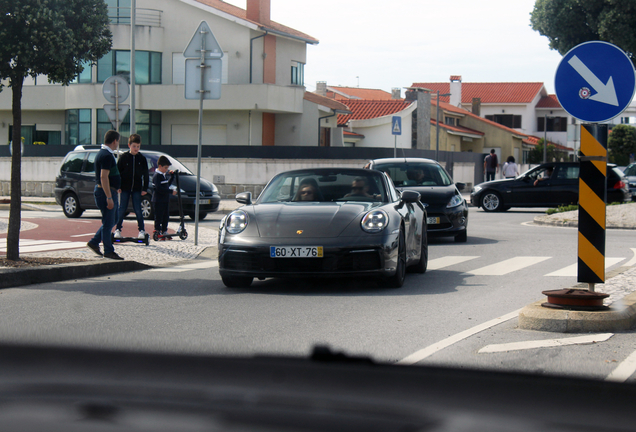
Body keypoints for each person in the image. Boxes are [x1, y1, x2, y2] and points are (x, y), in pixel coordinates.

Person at [86, 130, 124, 260]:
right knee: (109, 223)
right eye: (118, 141)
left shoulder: (105, 154)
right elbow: (103, 176)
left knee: (112, 219)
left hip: (109, 190)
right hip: (105, 192)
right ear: (115, 141)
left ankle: (94, 241)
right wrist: (109, 196)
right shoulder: (106, 155)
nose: (118, 144)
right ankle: (108, 250)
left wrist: (115, 187)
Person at [113, 134, 149, 240]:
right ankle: (118, 229)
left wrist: (145, 188)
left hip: (137, 189)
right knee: (122, 208)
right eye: (134, 146)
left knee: (138, 209)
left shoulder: (142, 159)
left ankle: (141, 230)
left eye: (138, 146)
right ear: (129, 145)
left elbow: (146, 174)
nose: (136, 149)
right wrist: (118, 186)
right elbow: (117, 172)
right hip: (125, 188)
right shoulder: (124, 157)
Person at [152, 155, 177, 240]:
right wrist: (170, 192)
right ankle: (157, 231)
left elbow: (166, 186)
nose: (167, 169)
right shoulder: (157, 176)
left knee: (166, 216)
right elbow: (159, 189)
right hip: (158, 200)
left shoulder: (163, 175)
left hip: (165, 200)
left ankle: (164, 230)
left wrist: (172, 177)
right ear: (160, 166)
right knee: (158, 217)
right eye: (165, 167)